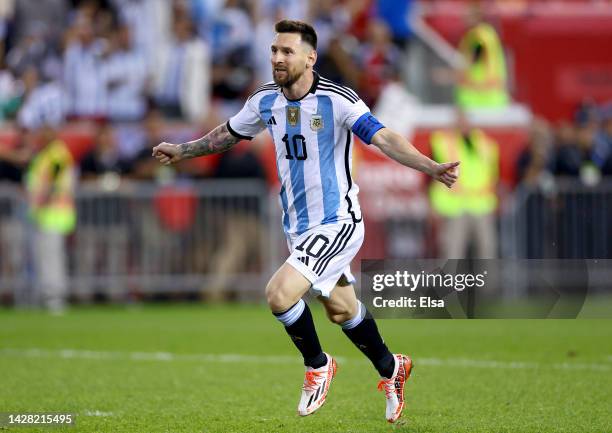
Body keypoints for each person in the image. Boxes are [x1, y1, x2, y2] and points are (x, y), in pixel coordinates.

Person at [152, 20, 459, 423]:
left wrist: (430, 166)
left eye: (287, 52)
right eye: (275, 51)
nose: (278, 58)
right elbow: (226, 134)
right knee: (341, 310)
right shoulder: (265, 101)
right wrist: (182, 150)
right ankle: (391, 368)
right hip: (299, 228)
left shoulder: (339, 100)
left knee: (280, 294)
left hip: (338, 222)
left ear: (310, 57)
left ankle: (318, 365)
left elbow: (383, 138)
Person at [429, 109, 498, 259]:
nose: (462, 124)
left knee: (486, 251)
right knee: (453, 253)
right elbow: (430, 176)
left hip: (481, 205)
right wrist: (432, 205)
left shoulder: (485, 144)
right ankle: (451, 283)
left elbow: (492, 176)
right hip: (455, 207)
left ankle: (487, 283)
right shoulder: (443, 142)